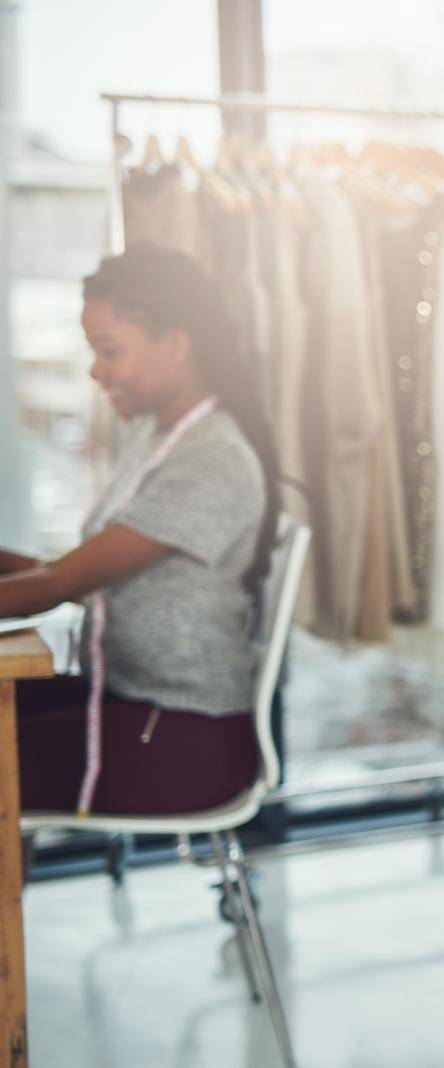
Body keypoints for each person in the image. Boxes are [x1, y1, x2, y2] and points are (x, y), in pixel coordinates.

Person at [0, 245, 278, 815]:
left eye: (110, 351)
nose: (96, 370)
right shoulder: (156, 436)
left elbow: (59, 585)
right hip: (131, 705)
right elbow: (75, 572)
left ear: (176, 346)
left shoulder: (211, 459)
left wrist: (39, 576)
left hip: (182, 740)